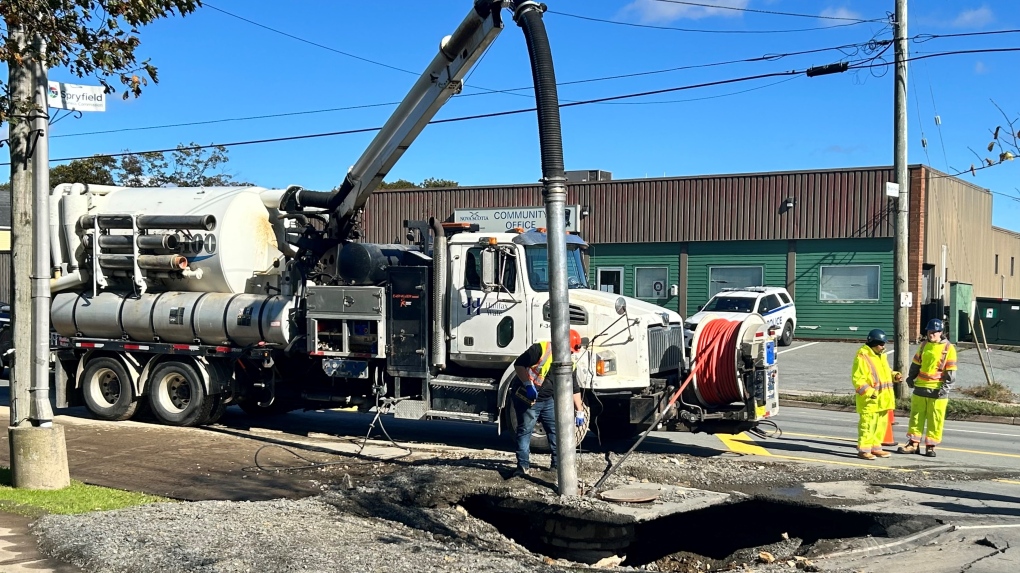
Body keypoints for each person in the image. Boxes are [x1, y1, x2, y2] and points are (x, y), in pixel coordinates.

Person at [512, 329, 586, 477]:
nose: (570, 354)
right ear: (561, 345)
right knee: (525, 431)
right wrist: (528, 384)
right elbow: (519, 364)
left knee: (555, 431)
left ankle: (557, 466)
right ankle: (523, 467)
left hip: (547, 400)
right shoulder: (541, 349)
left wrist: (579, 410)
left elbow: (574, 387)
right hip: (528, 399)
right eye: (569, 350)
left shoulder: (569, 362)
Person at [898, 318, 958, 458]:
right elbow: (916, 363)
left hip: (938, 391)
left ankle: (930, 446)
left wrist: (946, 388)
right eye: (929, 331)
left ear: (941, 332)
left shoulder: (949, 348)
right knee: (916, 417)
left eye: (934, 332)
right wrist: (910, 377)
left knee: (935, 420)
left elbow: (951, 372)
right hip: (920, 388)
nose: (931, 334)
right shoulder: (924, 345)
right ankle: (913, 444)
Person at [851, 329, 901, 460]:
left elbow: (885, 372)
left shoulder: (881, 355)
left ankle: (876, 447)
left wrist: (895, 376)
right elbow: (858, 379)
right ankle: (864, 450)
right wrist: (869, 393)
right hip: (870, 400)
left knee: (880, 425)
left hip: (883, 399)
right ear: (873, 343)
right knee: (868, 425)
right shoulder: (863, 356)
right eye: (881, 344)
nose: (883, 346)